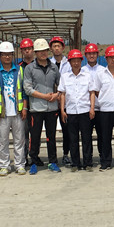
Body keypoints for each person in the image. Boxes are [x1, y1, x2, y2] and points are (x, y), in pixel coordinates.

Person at [0, 42, 27, 176]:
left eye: (9, 54)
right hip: (2, 113)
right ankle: (4, 165)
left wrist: (24, 108)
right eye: (4, 55)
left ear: (12, 55)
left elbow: (24, 91)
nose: (7, 57)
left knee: (19, 140)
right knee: (3, 141)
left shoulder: (20, 70)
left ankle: (19, 165)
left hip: (18, 111)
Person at [23, 38, 62, 175]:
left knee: (51, 137)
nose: (43, 53)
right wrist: (44, 96)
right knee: (35, 137)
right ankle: (33, 162)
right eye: (40, 51)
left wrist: (56, 95)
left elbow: (61, 85)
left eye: (45, 50)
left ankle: (53, 161)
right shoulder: (29, 68)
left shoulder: (54, 68)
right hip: (36, 109)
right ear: (35, 52)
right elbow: (28, 89)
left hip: (51, 109)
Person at [59, 49, 96, 171]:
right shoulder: (65, 77)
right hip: (71, 112)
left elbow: (92, 93)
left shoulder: (87, 76)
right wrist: (62, 110)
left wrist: (92, 108)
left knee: (87, 138)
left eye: (78, 61)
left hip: (85, 111)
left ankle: (88, 163)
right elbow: (62, 94)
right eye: (73, 61)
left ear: (81, 61)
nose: (76, 63)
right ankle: (75, 163)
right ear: (69, 62)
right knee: (73, 139)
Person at [49, 36, 71, 166]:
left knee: (66, 131)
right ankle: (52, 158)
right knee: (51, 131)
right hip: (51, 102)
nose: (57, 48)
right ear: (51, 48)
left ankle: (66, 154)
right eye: (54, 46)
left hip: (66, 102)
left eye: (59, 46)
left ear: (63, 48)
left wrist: (60, 94)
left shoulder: (69, 63)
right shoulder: (48, 63)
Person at [83, 43, 103, 163]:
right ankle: (88, 159)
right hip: (86, 108)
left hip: (100, 108)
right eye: (89, 53)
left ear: (97, 54)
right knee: (86, 136)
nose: (91, 55)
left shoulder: (103, 70)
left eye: (94, 53)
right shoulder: (82, 71)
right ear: (85, 55)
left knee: (102, 135)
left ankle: (103, 156)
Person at [19, 38, 35, 165]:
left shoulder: (38, 65)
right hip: (23, 105)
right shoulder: (19, 67)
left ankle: (34, 156)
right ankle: (24, 157)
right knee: (23, 133)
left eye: (29, 48)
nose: (27, 51)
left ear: (33, 50)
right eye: (25, 49)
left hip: (36, 103)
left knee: (35, 132)